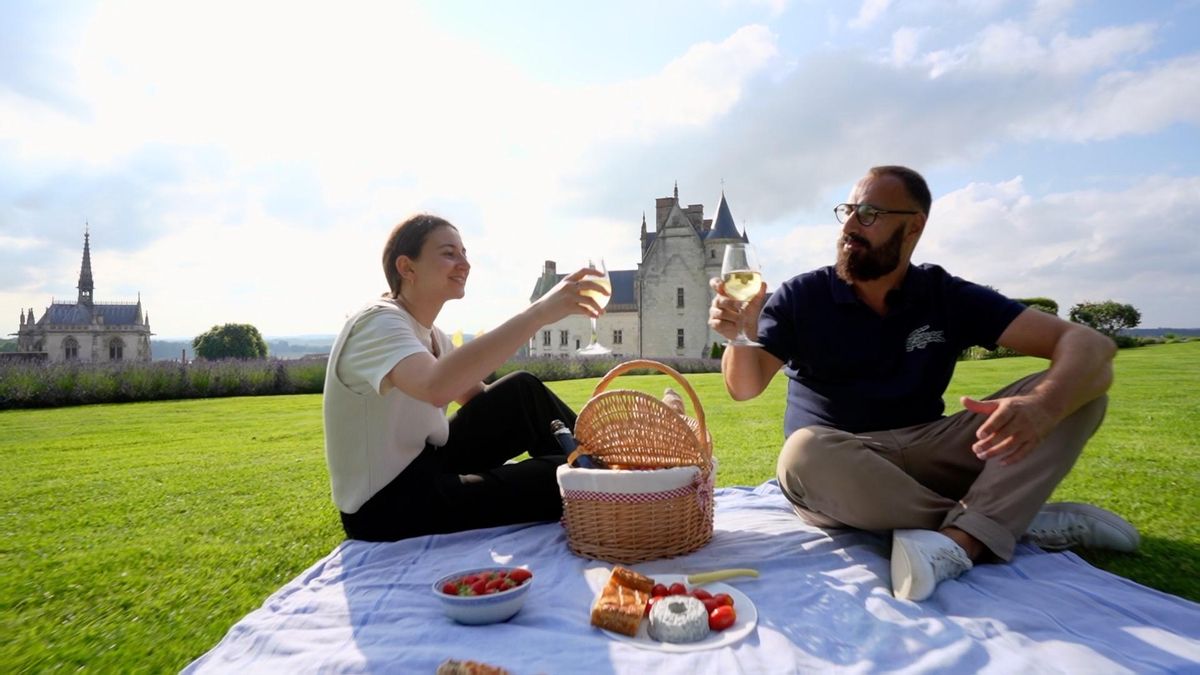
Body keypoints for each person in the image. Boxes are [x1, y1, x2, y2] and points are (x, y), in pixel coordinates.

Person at [708, 166, 1140, 601]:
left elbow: (1089, 346)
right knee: (802, 453)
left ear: (913, 226)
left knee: (1078, 392)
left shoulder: (942, 293)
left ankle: (964, 535)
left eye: (871, 213)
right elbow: (744, 388)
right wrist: (739, 336)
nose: (852, 226)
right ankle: (1009, 523)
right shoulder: (802, 296)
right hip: (841, 464)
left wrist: (1043, 408)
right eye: (849, 211)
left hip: (932, 448)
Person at [323, 213, 607, 542]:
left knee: (522, 390)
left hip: (428, 464)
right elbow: (435, 387)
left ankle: (603, 463)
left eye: (464, 253)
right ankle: (606, 478)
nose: (465, 264)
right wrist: (538, 313)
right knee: (560, 478)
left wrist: (525, 419)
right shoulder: (376, 323)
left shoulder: (428, 333)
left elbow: (484, 402)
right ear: (407, 268)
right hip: (385, 507)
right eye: (448, 253)